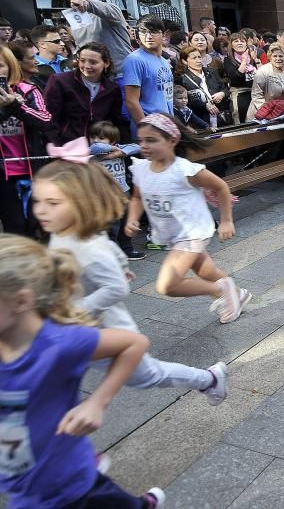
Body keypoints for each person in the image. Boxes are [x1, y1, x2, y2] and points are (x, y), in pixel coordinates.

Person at [33, 159, 229, 403]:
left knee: (149, 375)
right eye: (37, 201)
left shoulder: (86, 246)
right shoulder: (66, 232)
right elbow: (109, 246)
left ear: (82, 205)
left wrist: (74, 310)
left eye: (52, 203)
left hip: (108, 331)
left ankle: (209, 379)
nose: (40, 210)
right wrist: (122, 265)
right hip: (78, 329)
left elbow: (116, 288)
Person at [0, 234, 165, 508]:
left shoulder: (59, 343)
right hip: (22, 487)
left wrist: (97, 402)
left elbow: (134, 344)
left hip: (69, 484)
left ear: (20, 301)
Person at [125, 114, 250, 323]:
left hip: (192, 232)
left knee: (168, 285)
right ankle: (237, 294)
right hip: (173, 234)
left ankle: (222, 292)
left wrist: (227, 220)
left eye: (152, 140)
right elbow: (137, 198)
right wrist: (132, 218)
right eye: (141, 140)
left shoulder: (184, 170)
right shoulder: (141, 169)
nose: (144, 146)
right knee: (205, 270)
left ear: (172, 140)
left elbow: (221, 187)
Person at [0, 46, 53, 235]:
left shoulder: (28, 89)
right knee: (15, 229)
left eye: (1, 66)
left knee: (39, 224)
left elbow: (46, 120)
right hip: (4, 175)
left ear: (11, 66)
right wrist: (5, 110)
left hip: (33, 169)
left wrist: (16, 106)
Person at [44, 42, 125, 144]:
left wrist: (110, 143)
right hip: (66, 146)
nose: (86, 66)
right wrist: (56, 144)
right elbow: (49, 116)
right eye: (82, 61)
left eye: (93, 62)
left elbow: (113, 122)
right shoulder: (60, 81)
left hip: (97, 147)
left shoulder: (112, 89)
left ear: (106, 63)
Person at [88, 120, 144, 260]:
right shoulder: (91, 154)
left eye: (101, 138)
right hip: (105, 197)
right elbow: (95, 148)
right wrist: (113, 150)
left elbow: (136, 147)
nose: (95, 141)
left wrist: (118, 152)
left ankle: (127, 250)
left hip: (123, 193)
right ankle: (112, 254)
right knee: (111, 227)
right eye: (93, 137)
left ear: (113, 141)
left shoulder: (119, 150)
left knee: (125, 223)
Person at [64, 0, 133, 75]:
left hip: (120, 75)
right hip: (95, 78)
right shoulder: (75, 19)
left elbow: (111, 10)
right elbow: (81, 46)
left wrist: (87, 3)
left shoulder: (108, 11)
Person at [122, 15, 173, 131]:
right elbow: (131, 101)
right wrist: (146, 130)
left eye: (153, 32)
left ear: (164, 35)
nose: (148, 36)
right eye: (144, 32)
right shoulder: (134, 60)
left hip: (166, 126)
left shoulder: (164, 62)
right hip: (148, 129)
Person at [176, 45, 231, 128]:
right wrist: (204, 105)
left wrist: (222, 93)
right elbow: (184, 103)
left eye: (199, 57)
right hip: (201, 119)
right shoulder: (182, 80)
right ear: (185, 61)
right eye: (194, 58)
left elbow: (226, 89)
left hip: (221, 116)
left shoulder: (212, 72)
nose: (198, 60)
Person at [249, 43, 284, 121]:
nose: (278, 59)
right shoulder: (262, 71)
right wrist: (267, 113)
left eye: (281, 56)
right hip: (265, 114)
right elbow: (256, 95)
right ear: (270, 57)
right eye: (275, 56)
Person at [222, 31, 260, 123]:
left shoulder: (251, 57)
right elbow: (236, 78)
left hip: (255, 94)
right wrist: (243, 61)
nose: (239, 43)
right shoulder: (228, 60)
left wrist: (255, 60)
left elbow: (262, 74)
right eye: (236, 41)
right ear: (231, 45)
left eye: (242, 41)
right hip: (239, 95)